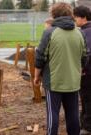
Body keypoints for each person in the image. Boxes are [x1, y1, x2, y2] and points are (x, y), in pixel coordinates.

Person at [34, 2, 86, 135]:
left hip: (54, 82)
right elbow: (84, 57)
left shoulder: (49, 32)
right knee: (73, 114)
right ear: (70, 14)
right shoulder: (80, 33)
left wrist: (36, 76)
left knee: (53, 114)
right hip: (73, 82)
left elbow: (40, 57)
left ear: (54, 14)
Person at [74, 5, 91, 135]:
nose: (75, 20)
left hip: (87, 73)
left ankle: (87, 127)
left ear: (83, 17)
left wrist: (81, 69)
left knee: (86, 99)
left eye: (76, 17)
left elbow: (86, 54)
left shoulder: (84, 32)